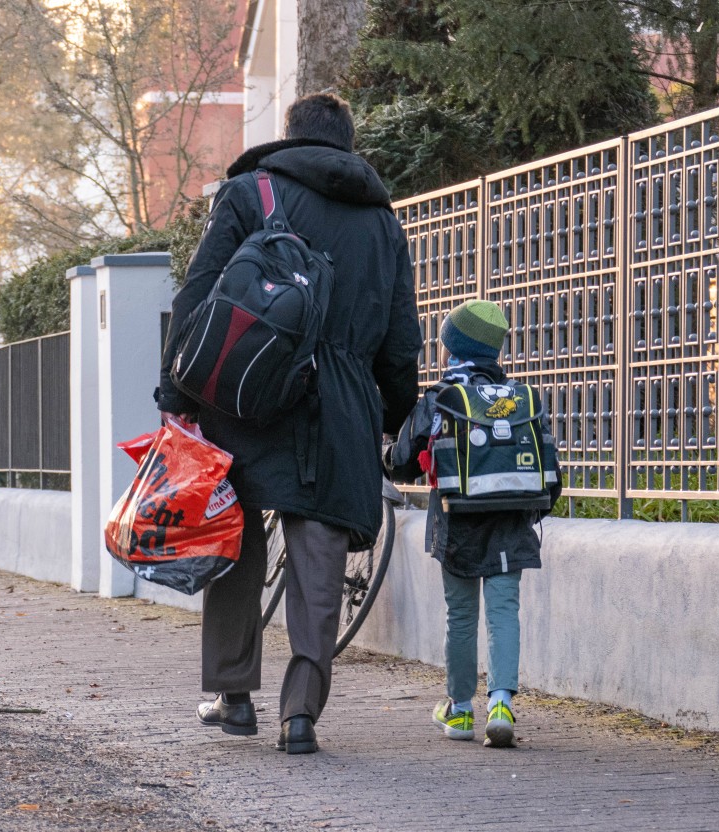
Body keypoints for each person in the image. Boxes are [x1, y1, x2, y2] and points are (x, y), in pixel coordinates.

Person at [155, 93, 423, 754]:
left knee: (235, 534)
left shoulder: (250, 193)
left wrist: (177, 392)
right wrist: (387, 417)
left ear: (290, 138)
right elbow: (400, 341)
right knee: (320, 553)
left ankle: (232, 691)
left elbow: (198, 292)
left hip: (249, 391)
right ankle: (300, 712)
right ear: (349, 145)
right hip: (341, 402)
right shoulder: (384, 224)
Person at [421, 299, 559, 748]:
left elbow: (404, 455)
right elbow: (548, 466)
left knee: (460, 615)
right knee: (504, 613)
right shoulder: (519, 398)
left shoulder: (444, 397)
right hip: (510, 522)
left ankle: (460, 710)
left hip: (457, 522)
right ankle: (501, 704)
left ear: (455, 351)